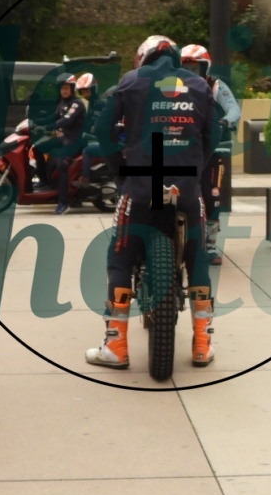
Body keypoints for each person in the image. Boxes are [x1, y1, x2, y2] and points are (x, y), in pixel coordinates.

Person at [85, 34, 218, 369]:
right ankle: (203, 343)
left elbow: (102, 130)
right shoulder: (199, 85)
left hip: (141, 186)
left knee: (120, 257)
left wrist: (120, 170)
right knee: (198, 258)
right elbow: (214, 136)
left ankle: (115, 346)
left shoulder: (130, 82)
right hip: (186, 189)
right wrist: (195, 170)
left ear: (143, 57)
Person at [180, 44, 241, 264]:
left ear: (205, 67)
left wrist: (225, 121)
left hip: (211, 151)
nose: (190, 73)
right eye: (186, 68)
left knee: (212, 195)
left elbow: (234, 108)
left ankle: (210, 245)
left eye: (195, 68)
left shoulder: (215, 85)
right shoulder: (171, 86)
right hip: (182, 149)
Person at [45, 72, 88, 215]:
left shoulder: (76, 103)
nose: (63, 91)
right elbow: (54, 117)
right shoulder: (62, 103)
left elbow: (66, 120)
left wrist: (50, 126)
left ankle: (63, 202)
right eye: (61, 88)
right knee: (39, 147)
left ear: (72, 89)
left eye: (66, 88)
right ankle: (45, 180)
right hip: (65, 137)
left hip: (75, 139)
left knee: (62, 164)